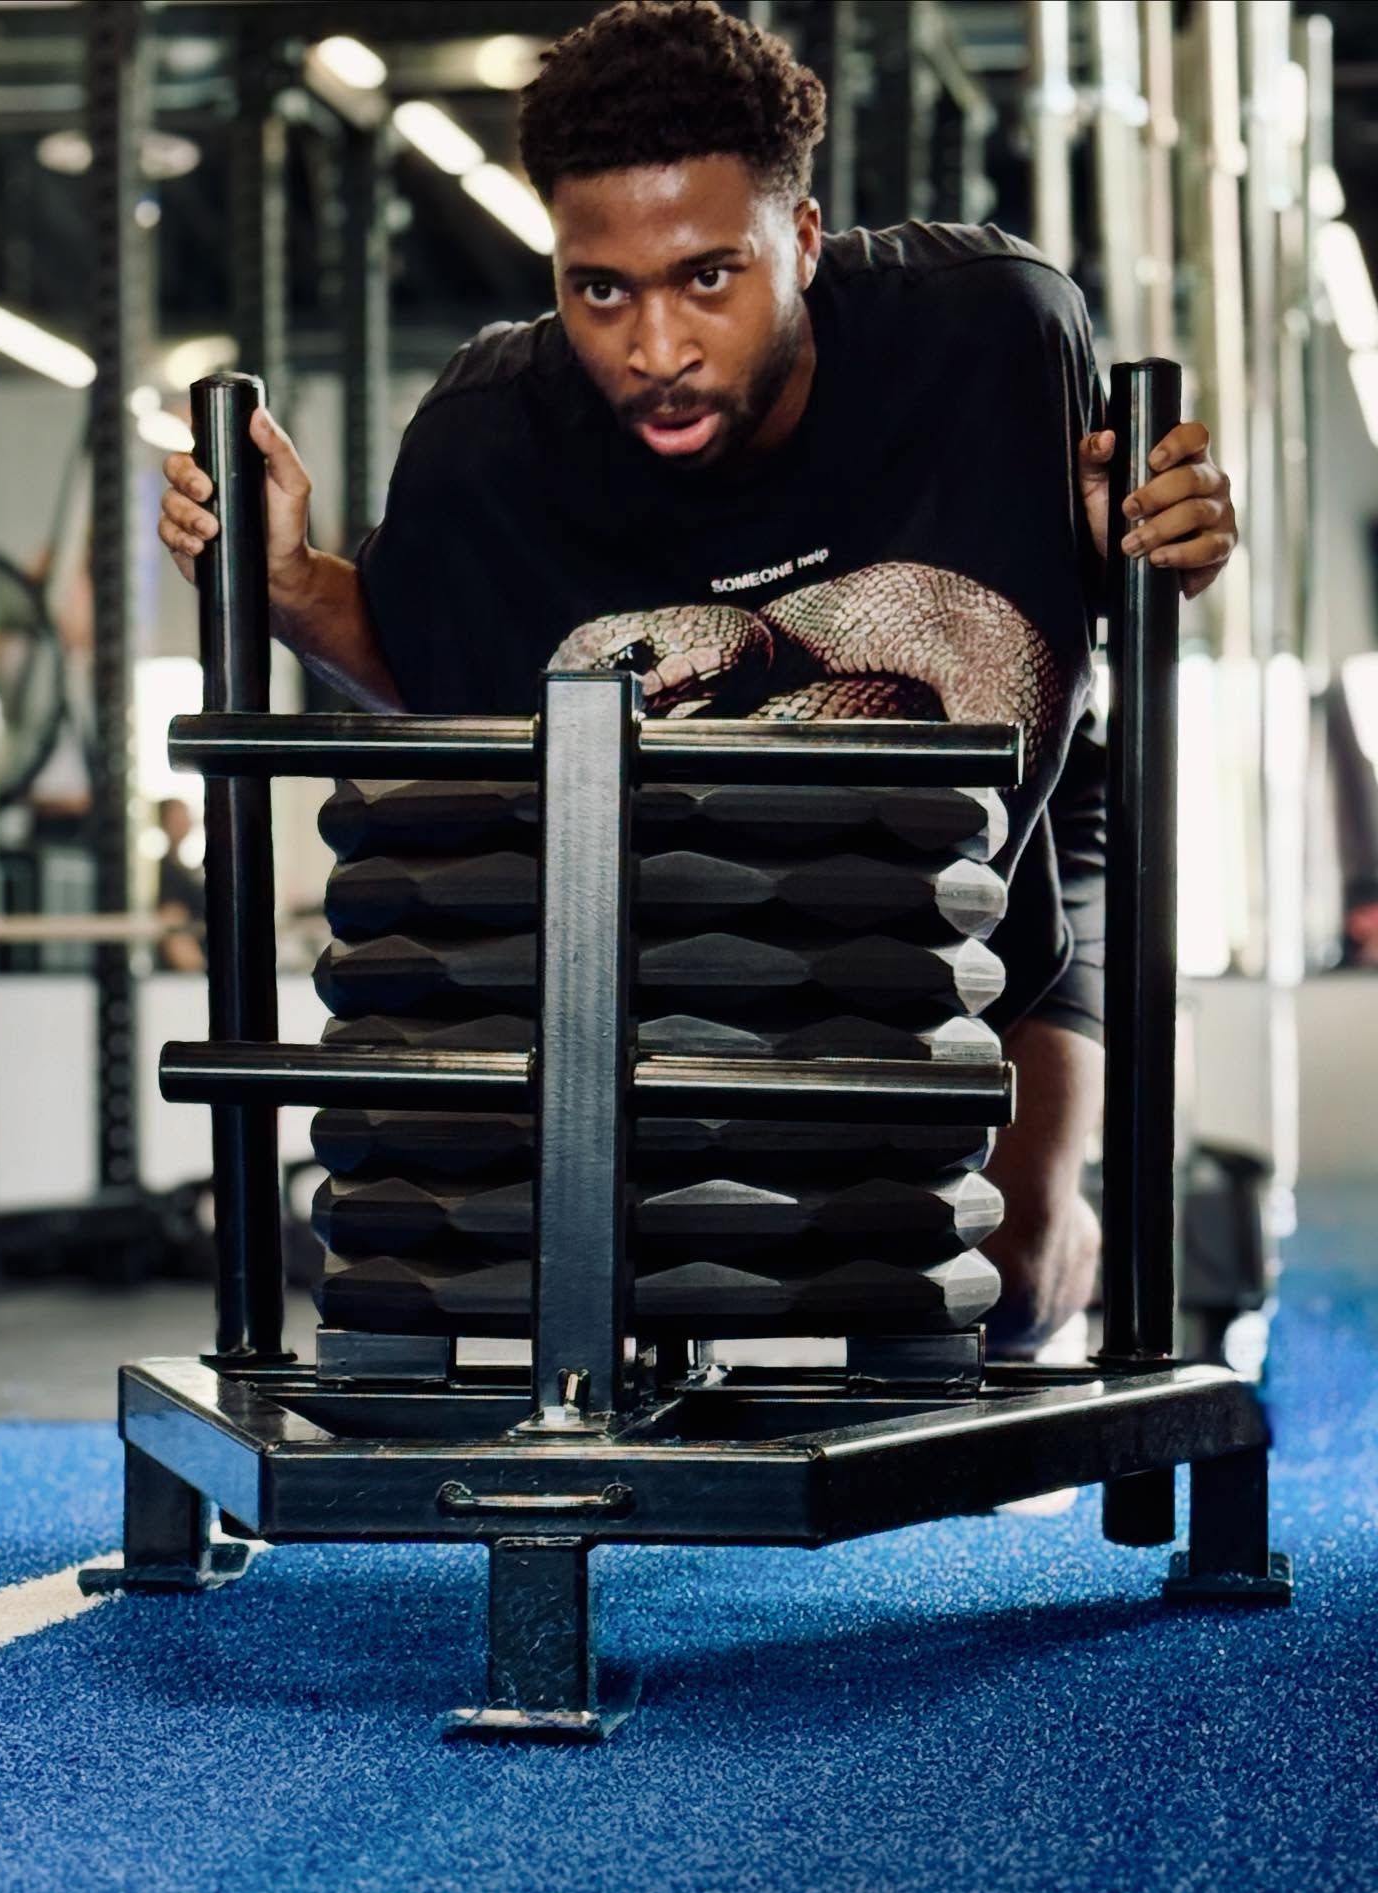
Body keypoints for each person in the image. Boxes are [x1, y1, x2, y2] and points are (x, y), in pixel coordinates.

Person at [157, 0, 1237, 1355]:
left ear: (802, 238)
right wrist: (289, 587)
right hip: (704, 930)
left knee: (988, 1284)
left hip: (998, 891)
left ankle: (1058, 1242)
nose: (655, 351)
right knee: (575, 1261)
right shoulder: (489, 440)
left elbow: (1110, 545)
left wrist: (1158, 543)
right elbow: (435, 687)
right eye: (601, 289)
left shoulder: (991, 336)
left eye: (708, 278)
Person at [154, 795, 206, 973]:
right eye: (179, 815)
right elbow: (173, 928)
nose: (186, 820)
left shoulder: (183, 870)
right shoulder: (167, 872)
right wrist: (197, 968)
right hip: (183, 975)